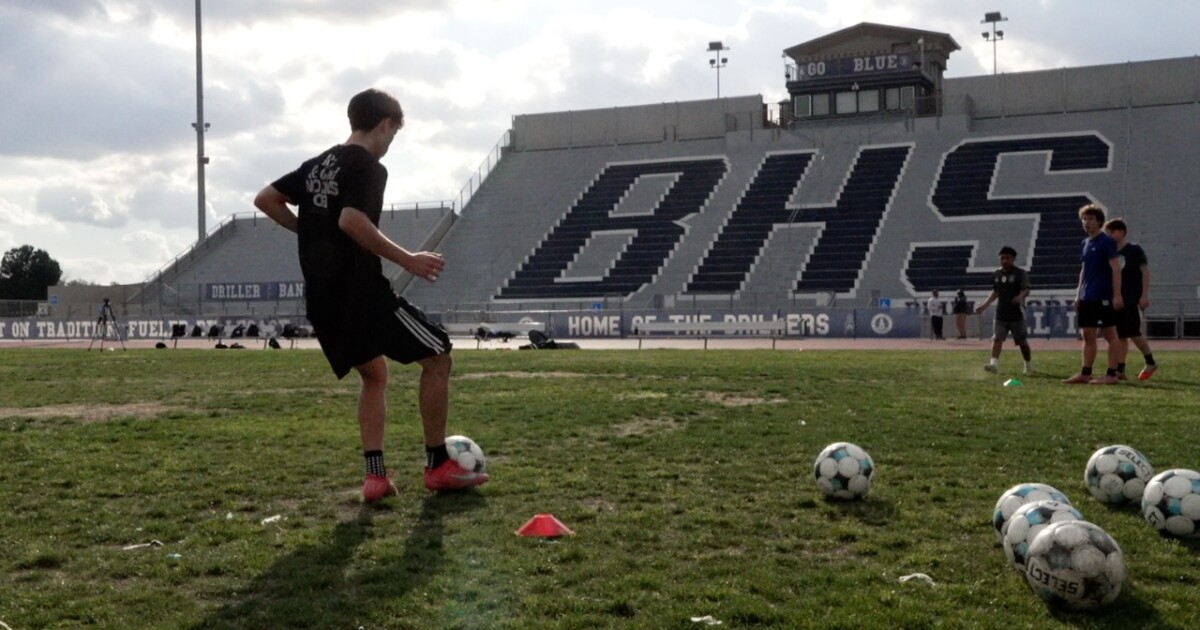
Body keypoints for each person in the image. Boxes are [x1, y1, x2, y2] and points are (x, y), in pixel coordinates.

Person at [254, 88, 488, 501]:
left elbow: (266, 199)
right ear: (385, 124)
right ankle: (437, 465)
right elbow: (351, 220)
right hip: (361, 293)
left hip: (323, 300)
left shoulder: (316, 165)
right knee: (439, 356)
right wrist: (408, 259)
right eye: (393, 134)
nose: (390, 144)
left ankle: (376, 477)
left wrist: (307, 229)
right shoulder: (367, 167)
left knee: (374, 374)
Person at [1063, 204, 1123, 384]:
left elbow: (1116, 268)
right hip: (1087, 296)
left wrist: (1117, 294)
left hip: (1103, 295)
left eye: (1090, 219)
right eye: (1084, 219)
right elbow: (1084, 269)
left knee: (1110, 334)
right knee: (1087, 334)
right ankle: (1085, 372)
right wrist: (1078, 293)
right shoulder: (1085, 243)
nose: (1086, 222)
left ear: (1099, 221)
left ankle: (1112, 374)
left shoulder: (1107, 241)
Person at [1103, 218, 1158, 380]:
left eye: (1112, 231)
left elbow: (1145, 272)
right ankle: (1120, 368)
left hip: (1130, 296)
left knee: (1133, 331)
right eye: (1108, 232)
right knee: (1120, 335)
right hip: (1114, 297)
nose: (1110, 235)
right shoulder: (1110, 251)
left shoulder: (1134, 250)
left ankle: (1150, 361)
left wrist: (1145, 295)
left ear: (1122, 232)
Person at [975, 246, 1033, 374]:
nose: (1004, 261)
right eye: (1002, 258)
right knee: (997, 338)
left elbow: (1026, 289)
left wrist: (1020, 297)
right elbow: (996, 292)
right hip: (1001, 313)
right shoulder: (997, 274)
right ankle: (994, 364)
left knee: (1022, 342)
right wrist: (984, 305)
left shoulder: (1020, 274)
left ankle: (1028, 365)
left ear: (1013, 259)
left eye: (1007, 258)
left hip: (1017, 314)